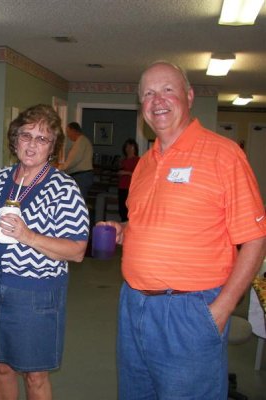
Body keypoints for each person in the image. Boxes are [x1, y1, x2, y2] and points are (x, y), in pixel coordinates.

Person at [101, 61, 266, 399]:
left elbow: (254, 239)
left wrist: (221, 309)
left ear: (189, 96)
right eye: (147, 93)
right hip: (133, 305)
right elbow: (152, 220)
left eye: (167, 90)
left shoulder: (224, 154)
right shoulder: (146, 164)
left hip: (189, 311)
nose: (156, 100)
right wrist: (125, 229)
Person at [0, 104, 89, 399]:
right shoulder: (1, 179)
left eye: (43, 138)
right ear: (15, 140)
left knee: (34, 374)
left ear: (53, 147)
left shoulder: (64, 188)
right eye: (26, 135)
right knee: (1, 368)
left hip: (35, 293)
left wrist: (28, 236)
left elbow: (77, 250)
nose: (32, 144)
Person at [59, 122, 93, 200]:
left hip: (82, 177)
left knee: (78, 200)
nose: (68, 135)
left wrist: (59, 167)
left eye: (68, 132)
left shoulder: (81, 141)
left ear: (73, 130)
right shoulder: (82, 141)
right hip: (83, 176)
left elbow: (74, 160)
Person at [117, 138, 139, 222]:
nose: (128, 149)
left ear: (135, 148)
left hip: (131, 188)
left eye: (131, 147)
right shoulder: (123, 161)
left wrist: (126, 173)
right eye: (127, 147)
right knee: (122, 210)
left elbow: (138, 175)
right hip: (122, 187)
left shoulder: (138, 160)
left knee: (129, 210)